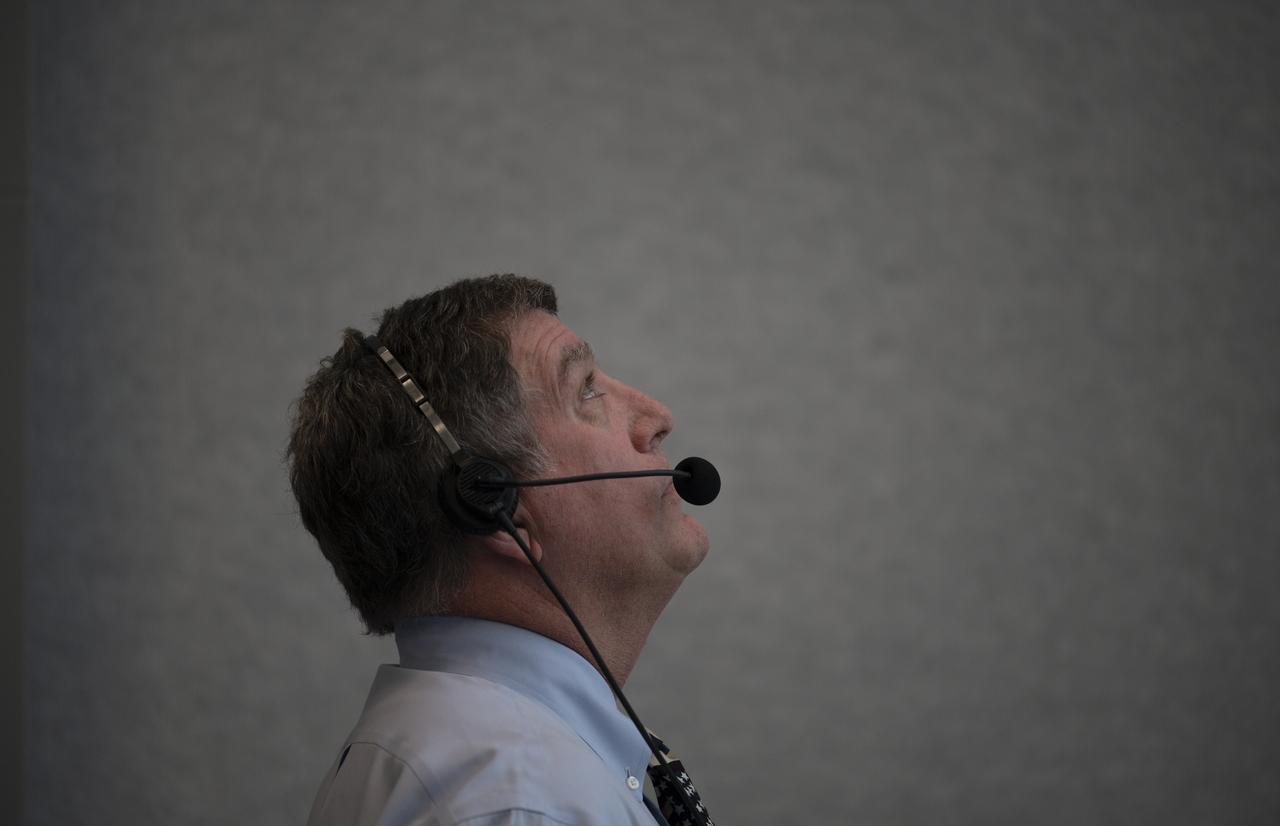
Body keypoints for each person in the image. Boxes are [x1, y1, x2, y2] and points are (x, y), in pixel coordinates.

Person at [288, 274, 712, 825]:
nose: (657, 416)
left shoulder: (454, 753)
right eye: (585, 389)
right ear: (496, 505)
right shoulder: (524, 798)